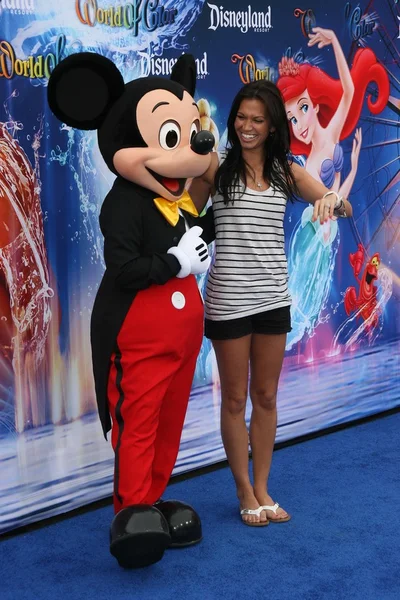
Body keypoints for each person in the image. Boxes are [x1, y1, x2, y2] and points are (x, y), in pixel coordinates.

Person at [189, 79, 352, 526]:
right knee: (234, 400)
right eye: (241, 118)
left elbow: (341, 207)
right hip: (227, 302)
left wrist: (332, 200)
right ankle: (243, 489)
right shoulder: (215, 167)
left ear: (272, 125)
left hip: (273, 302)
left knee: (265, 397)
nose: (247, 126)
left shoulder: (287, 170)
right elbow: (186, 215)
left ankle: (262, 486)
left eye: (257, 120)